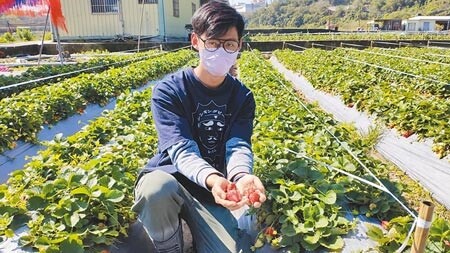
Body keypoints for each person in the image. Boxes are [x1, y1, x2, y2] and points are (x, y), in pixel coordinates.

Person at [111, 1, 266, 253]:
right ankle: (170, 248)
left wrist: (241, 176)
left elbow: (238, 145)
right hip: (172, 177)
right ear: (196, 41)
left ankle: (198, 227)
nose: (221, 50)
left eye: (230, 44)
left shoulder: (243, 97)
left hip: (209, 192)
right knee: (156, 189)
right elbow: (182, 150)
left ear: (239, 46)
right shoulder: (170, 91)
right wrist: (214, 178)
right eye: (213, 43)